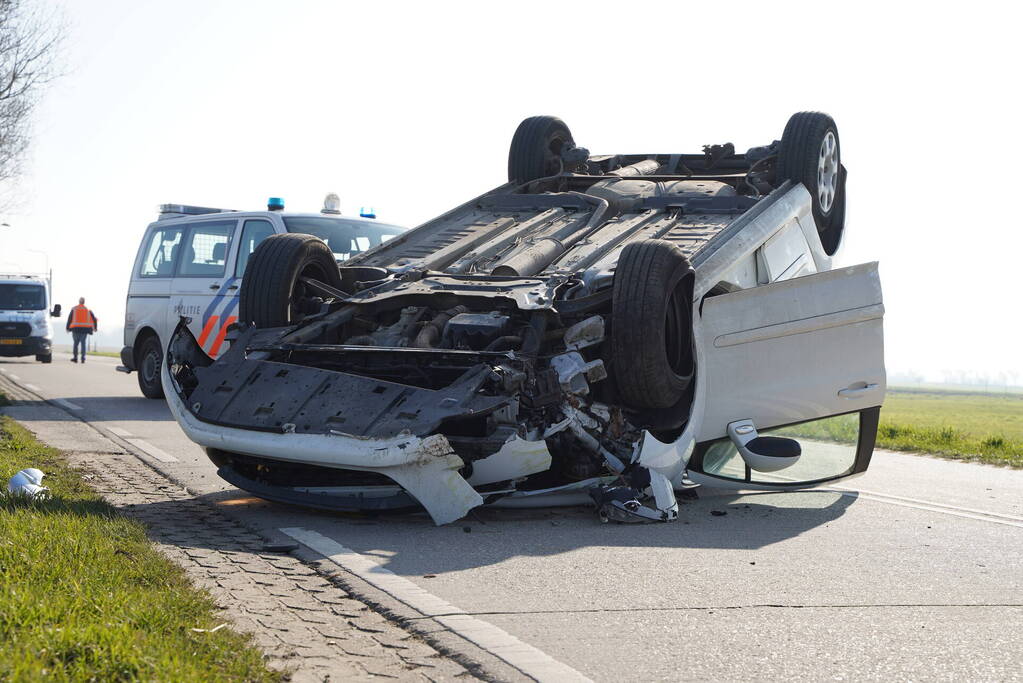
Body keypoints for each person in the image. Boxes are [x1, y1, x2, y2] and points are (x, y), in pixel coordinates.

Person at [66, 297, 97, 363]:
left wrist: (67, 328)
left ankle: (75, 358)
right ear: (84, 302)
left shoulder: (74, 309)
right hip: (84, 330)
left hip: (76, 329)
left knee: (75, 344)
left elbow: (70, 318)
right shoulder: (88, 309)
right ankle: (83, 358)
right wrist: (95, 328)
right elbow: (94, 319)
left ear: (79, 301)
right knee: (83, 344)